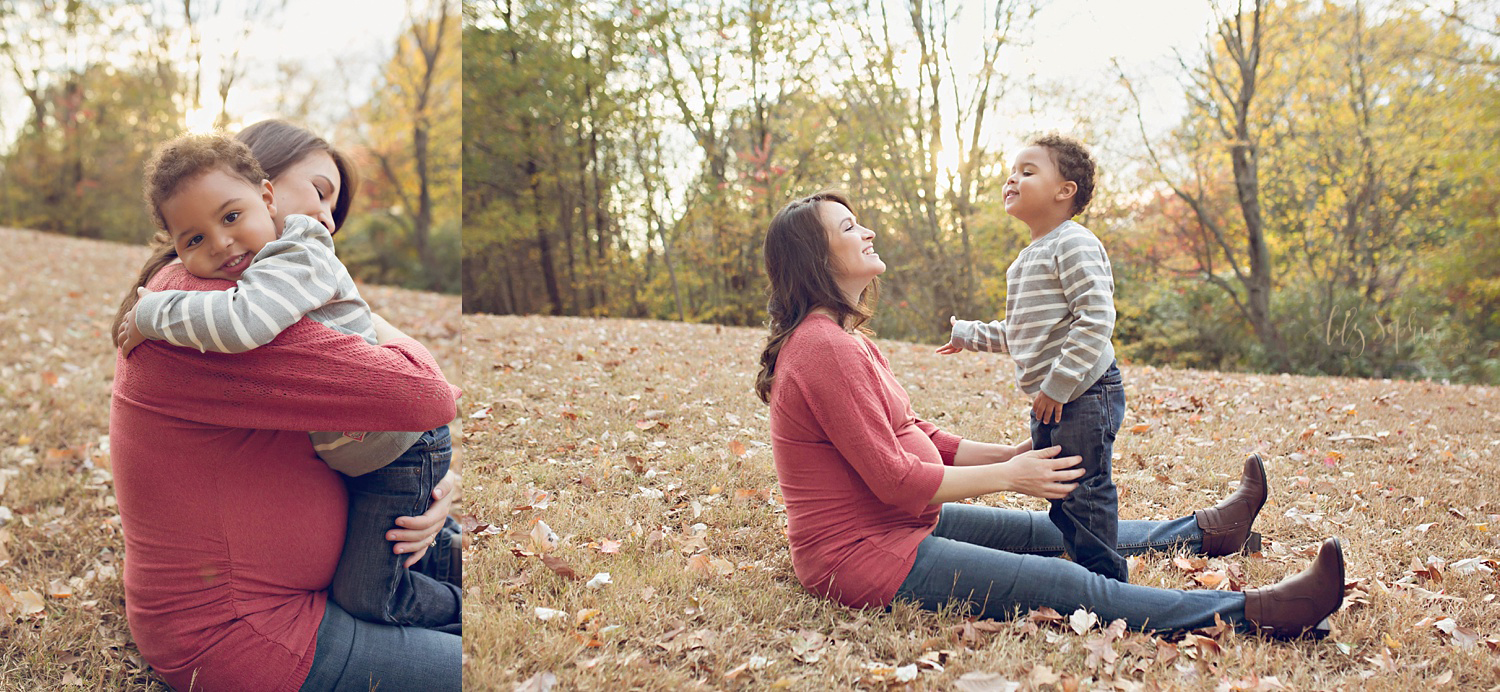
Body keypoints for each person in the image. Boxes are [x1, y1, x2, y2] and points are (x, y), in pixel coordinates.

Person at [756, 189, 1345, 638]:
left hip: (902, 524)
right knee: (1068, 583)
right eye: (849, 227)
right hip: (859, 555)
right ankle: (1262, 613)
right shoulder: (822, 348)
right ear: (815, 257)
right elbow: (894, 480)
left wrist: (1012, 456)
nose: (868, 231)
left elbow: (919, 436)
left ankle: (1209, 533)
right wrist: (1012, 478)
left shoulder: (844, 339)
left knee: (1055, 530)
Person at [110, 125, 461, 690]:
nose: (327, 219)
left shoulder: (233, 285)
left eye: (335, 207)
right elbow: (424, 394)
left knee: (434, 544)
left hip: (307, 580)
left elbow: (403, 399)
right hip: (250, 636)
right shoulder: (210, 311)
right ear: (265, 186)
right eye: (319, 192)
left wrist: (440, 486)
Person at [938, 134, 1126, 582]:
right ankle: (1080, 568)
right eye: (1011, 171)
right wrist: (968, 334)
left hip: (1082, 392)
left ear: (1065, 191)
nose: (1012, 178)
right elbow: (1024, 334)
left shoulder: (1073, 243)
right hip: (1055, 396)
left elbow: (1097, 318)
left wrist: (1057, 386)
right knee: (1061, 494)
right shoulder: (1029, 257)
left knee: (1084, 491)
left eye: (1027, 171)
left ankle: (1105, 583)